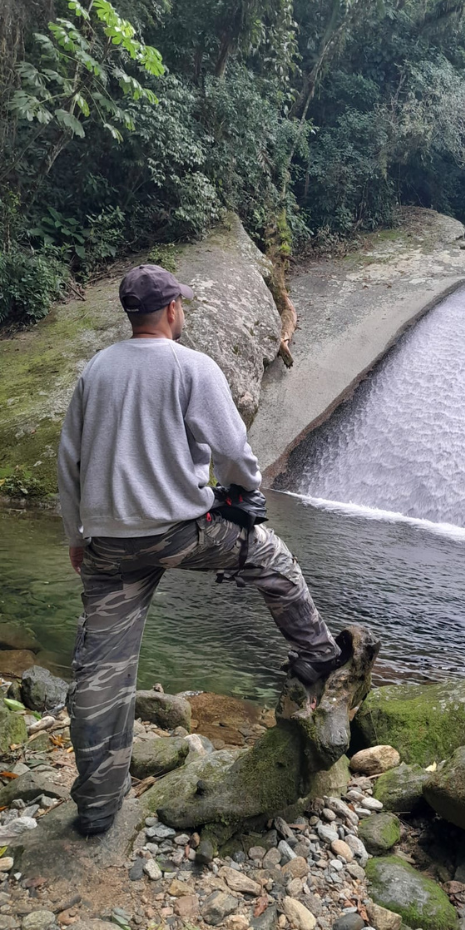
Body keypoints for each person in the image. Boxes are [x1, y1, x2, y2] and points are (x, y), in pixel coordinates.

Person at [57, 264, 344, 836]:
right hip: (184, 534)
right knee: (270, 556)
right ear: (169, 311)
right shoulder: (191, 367)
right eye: (180, 305)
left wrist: (75, 537)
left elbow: (70, 463)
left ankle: (95, 806)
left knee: (102, 673)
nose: (182, 312)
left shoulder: (95, 372)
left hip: (109, 544)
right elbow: (234, 450)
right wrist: (245, 493)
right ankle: (317, 653)